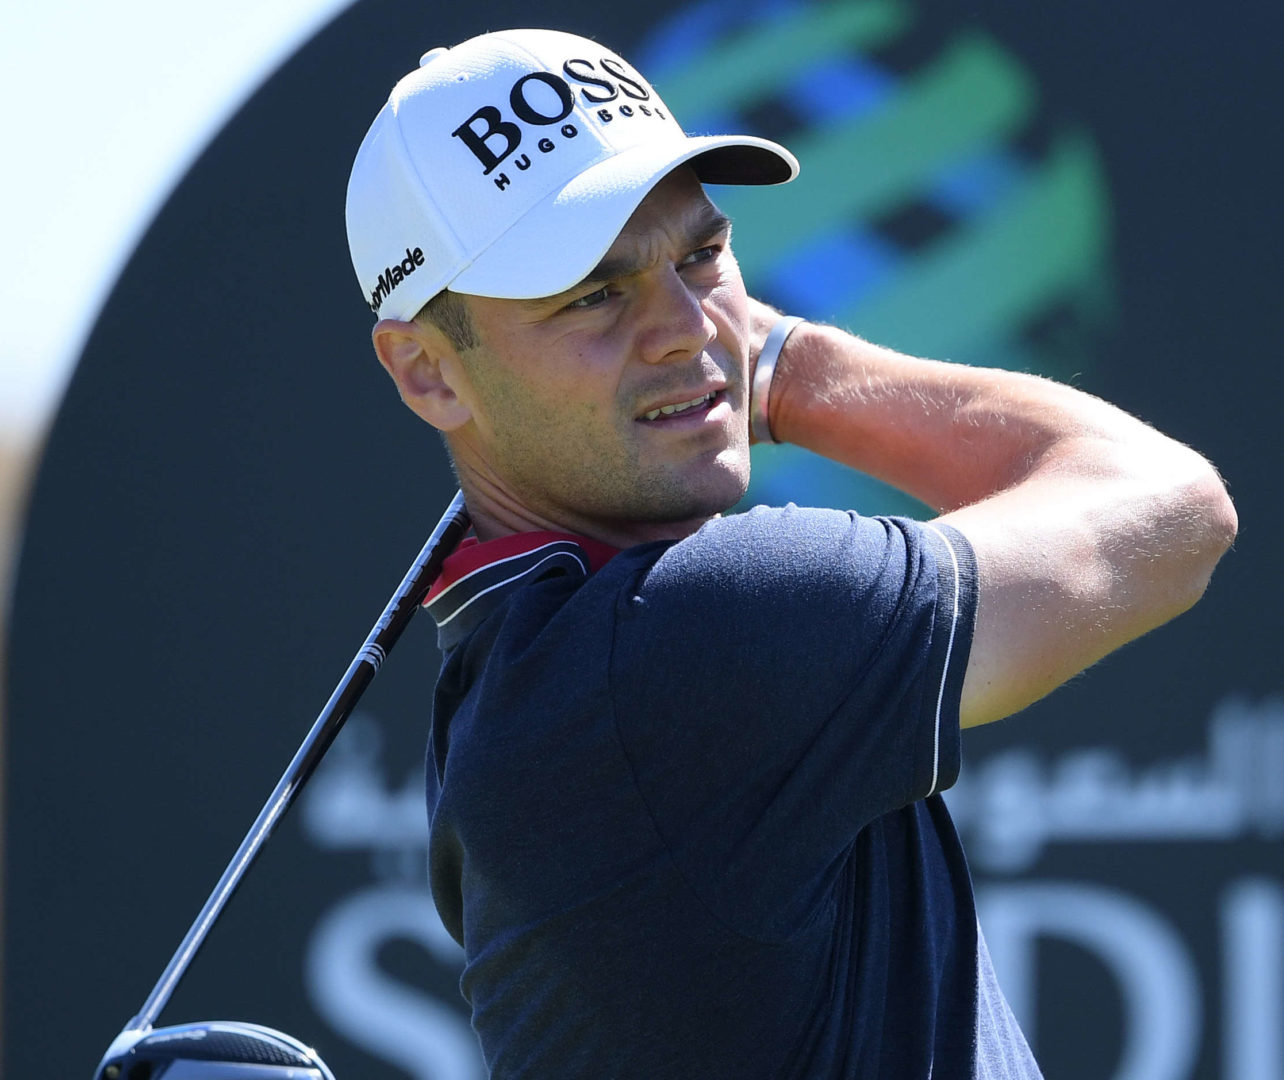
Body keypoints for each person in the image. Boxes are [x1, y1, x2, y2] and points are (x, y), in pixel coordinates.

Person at [346, 27, 1236, 1079]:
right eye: (592, 293)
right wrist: (780, 369)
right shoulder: (685, 639)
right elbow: (1169, 511)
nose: (686, 325)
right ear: (427, 373)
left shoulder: (522, 669)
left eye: (702, 255)